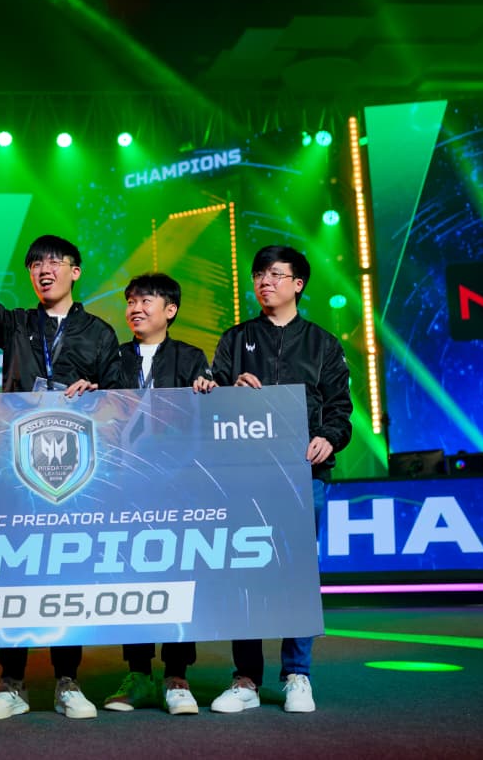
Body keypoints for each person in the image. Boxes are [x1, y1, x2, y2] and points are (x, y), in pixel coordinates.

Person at [0, 192, 121, 721]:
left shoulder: (100, 332)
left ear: (75, 271)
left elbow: (122, 400)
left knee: (69, 574)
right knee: (14, 573)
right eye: (36, 264)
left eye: (54, 262)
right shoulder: (17, 324)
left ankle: (68, 682)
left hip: (77, 471)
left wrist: (97, 392)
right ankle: (12, 683)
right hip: (16, 466)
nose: (44, 270)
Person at [194, 245, 352, 715]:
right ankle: (245, 678)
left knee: (296, 574)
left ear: (298, 284)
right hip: (245, 475)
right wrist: (223, 390)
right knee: (245, 572)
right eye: (259, 274)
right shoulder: (236, 338)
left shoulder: (323, 343)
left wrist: (328, 438)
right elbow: (211, 403)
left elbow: (340, 411)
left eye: (276, 274)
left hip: (304, 474)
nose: (265, 281)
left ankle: (297, 675)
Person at [102, 272, 209, 716]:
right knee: (133, 579)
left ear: (171, 310)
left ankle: (177, 676)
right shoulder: (112, 357)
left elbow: (204, 420)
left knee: (179, 575)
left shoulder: (191, 357)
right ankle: (139, 674)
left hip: (177, 486)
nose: (136, 308)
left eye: (146, 300)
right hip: (124, 486)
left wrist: (209, 391)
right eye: (130, 301)